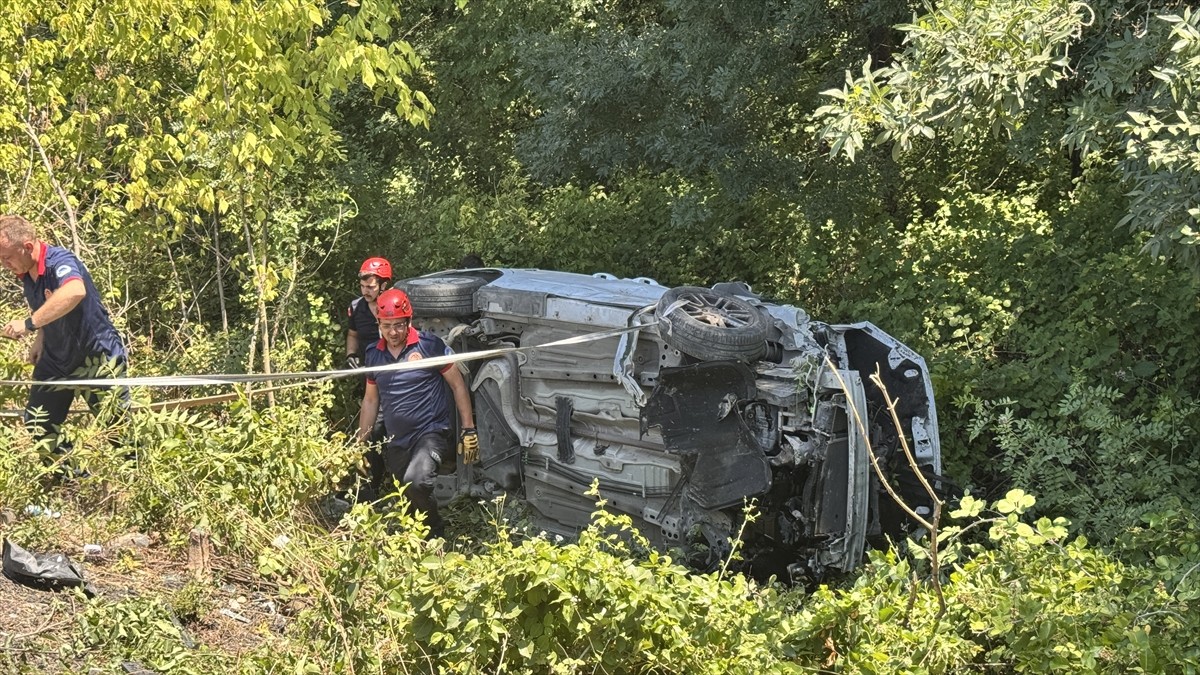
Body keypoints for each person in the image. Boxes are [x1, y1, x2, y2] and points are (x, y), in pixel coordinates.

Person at [0, 214, 128, 457]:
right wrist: (40, 338)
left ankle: (136, 474)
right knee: (38, 423)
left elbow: (74, 291)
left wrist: (29, 324)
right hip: (56, 358)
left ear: (27, 247)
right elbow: (47, 304)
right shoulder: (26, 273)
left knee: (118, 430)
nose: (4, 264)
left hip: (96, 356)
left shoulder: (59, 261)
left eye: (7, 257)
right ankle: (71, 476)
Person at [356, 288, 478, 537]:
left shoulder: (428, 345)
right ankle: (418, 540)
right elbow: (370, 400)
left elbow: (457, 385)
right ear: (379, 324)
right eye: (386, 326)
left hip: (430, 432)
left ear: (409, 321)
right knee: (407, 494)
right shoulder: (373, 354)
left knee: (417, 481)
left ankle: (436, 533)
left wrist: (468, 428)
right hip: (397, 439)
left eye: (398, 325)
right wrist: (360, 444)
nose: (393, 332)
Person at [345, 257, 392, 369]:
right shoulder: (355, 307)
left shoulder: (396, 304)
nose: (365, 291)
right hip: (368, 367)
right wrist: (351, 353)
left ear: (383, 286)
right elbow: (352, 334)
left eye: (370, 287)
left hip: (394, 365)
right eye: (362, 286)